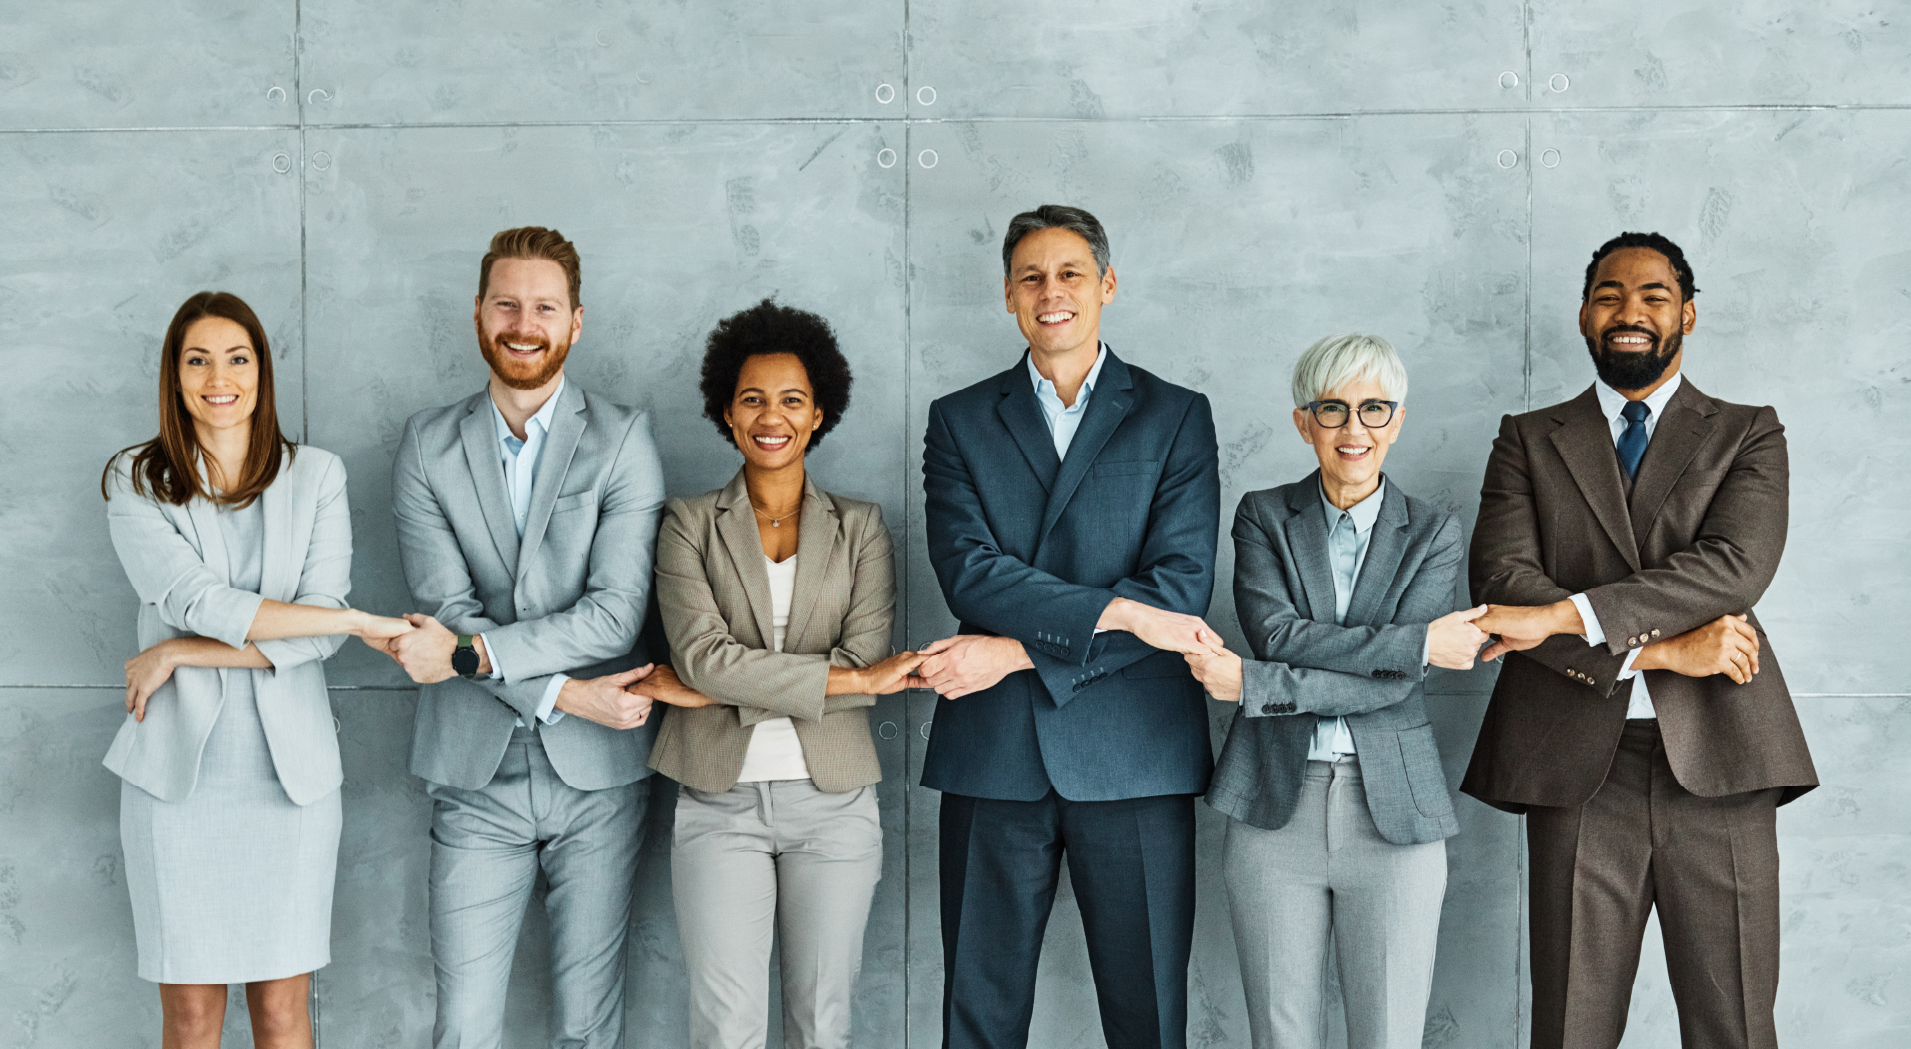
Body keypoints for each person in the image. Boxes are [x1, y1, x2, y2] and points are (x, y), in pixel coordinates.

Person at [1463, 232, 1816, 1049]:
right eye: (1609, 295)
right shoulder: (1527, 437)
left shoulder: (1747, 431)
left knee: (1733, 1026)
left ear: (1686, 313)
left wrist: (1563, 616)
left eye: (1653, 295)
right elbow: (1503, 587)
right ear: (1583, 317)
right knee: (1569, 1028)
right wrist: (1654, 651)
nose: (1630, 311)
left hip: (1720, 764)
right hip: (1574, 765)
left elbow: (1731, 568)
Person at [915, 204, 1222, 1049]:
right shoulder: (959, 417)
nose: (1051, 292)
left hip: (1135, 754)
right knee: (977, 1019)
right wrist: (1114, 610)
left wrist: (1012, 651)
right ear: (1008, 295)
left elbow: (1178, 588)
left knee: (1148, 1020)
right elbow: (967, 569)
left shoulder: (1174, 414)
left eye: (1070, 273)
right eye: (1031, 277)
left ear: (1106, 285)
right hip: (993, 756)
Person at [374, 227, 668, 1049]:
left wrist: (473, 655)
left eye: (544, 306)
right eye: (506, 302)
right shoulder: (426, 445)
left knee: (587, 1028)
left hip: (599, 783)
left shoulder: (622, 438)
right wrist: (565, 691)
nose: (523, 322)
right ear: (477, 313)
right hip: (474, 777)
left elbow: (614, 613)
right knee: (462, 1030)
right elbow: (446, 614)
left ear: (576, 322)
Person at [101, 291, 413, 1049]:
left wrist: (179, 650)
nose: (219, 376)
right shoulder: (134, 479)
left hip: (291, 783)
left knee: (281, 1010)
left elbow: (305, 639)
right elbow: (203, 600)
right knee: (192, 1014)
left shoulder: (318, 475)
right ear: (174, 376)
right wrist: (346, 617)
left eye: (237, 357)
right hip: (178, 784)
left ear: (261, 370)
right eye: (197, 358)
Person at [1183, 334, 1489, 1049]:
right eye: (1333, 409)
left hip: (1395, 818)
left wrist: (1253, 686)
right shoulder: (1262, 515)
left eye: (1373, 409)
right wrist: (1413, 644)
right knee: (1279, 1037)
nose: (1354, 429)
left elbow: (1393, 685)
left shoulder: (1434, 531)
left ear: (1398, 419)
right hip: (1271, 810)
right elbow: (1280, 636)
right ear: (1303, 421)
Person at [642, 299, 922, 1049]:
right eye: (752, 399)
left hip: (833, 808)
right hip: (716, 801)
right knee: (725, 1029)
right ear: (726, 414)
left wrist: (710, 690)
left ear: (819, 411)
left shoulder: (860, 526)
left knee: (820, 1025)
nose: (773, 415)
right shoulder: (687, 522)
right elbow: (705, 653)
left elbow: (858, 653)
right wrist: (855, 687)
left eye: (792, 399)